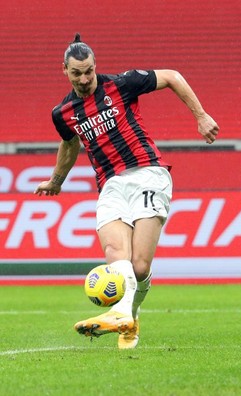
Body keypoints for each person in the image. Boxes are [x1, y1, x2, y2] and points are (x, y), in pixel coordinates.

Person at [34, 33, 220, 349]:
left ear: (95, 67)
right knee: (115, 254)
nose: (84, 78)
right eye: (77, 73)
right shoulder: (62, 113)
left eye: (89, 70)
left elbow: (172, 77)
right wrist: (56, 181)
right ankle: (122, 318)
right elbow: (69, 144)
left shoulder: (122, 84)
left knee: (140, 266)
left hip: (148, 173)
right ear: (64, 71)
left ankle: (127, 317)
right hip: (110, 185)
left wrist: (200, 115)